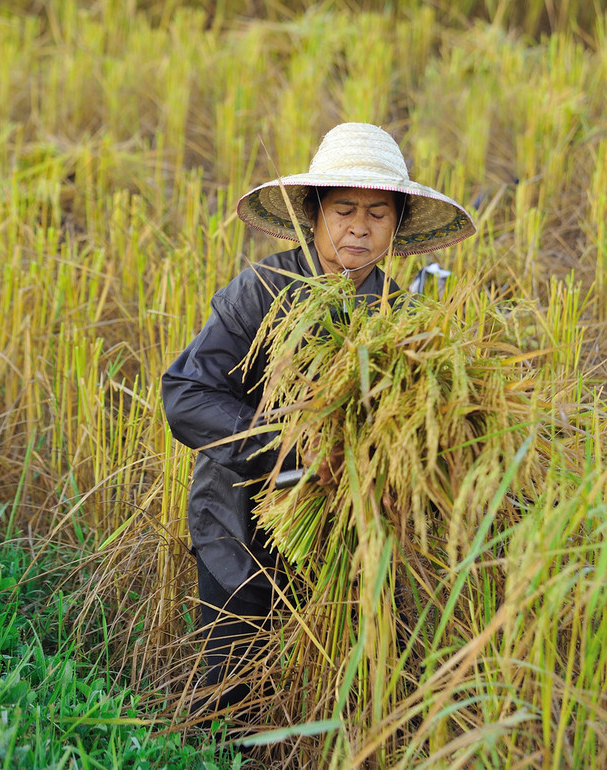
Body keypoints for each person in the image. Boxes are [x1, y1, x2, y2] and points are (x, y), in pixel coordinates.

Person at [161, 122, 476, 709]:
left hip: (347, 533)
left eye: (378, 213)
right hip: (240, 516)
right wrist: (293, 448)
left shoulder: (400, 318)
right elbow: (186, 395)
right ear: (315, 214)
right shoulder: (262, 289)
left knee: (335, 687)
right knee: (234, 689)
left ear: (398, 226)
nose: (360, 226)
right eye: (345, 209)